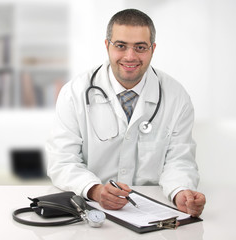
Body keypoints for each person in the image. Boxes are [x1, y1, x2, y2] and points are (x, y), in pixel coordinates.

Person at [46, 9, 206, 217]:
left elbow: (179, 160)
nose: (130, 57)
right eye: (121, 46)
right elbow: (62, 160)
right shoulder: (74, 93)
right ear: (107, 46)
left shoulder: (177, 97)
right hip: (93, 209)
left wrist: (181, 192)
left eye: (140, 47)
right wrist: (95, 190)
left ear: (152, 49)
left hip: (154, 210)